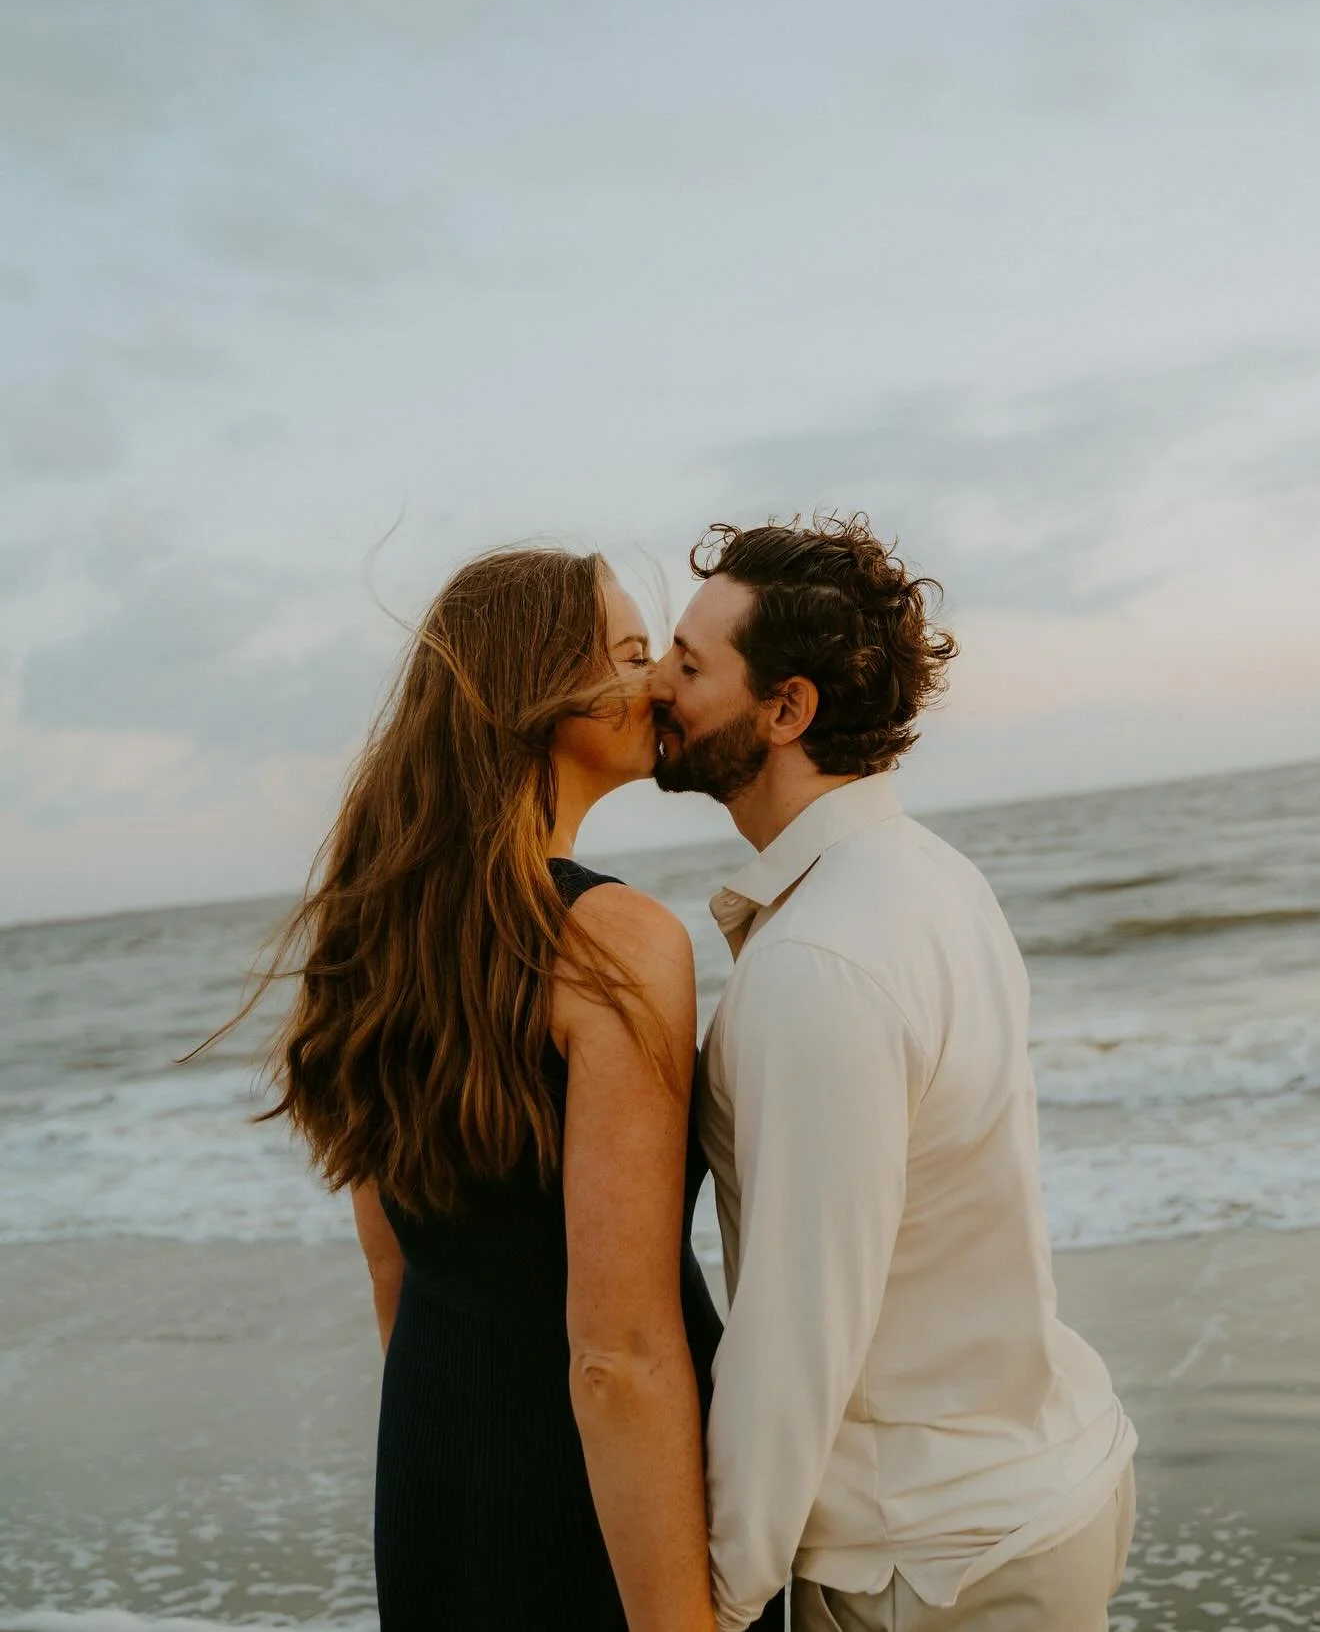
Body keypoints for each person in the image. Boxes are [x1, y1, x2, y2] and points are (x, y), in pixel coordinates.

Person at [202, 547, 782, 1631]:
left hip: (438, 1473)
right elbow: (618, 1355)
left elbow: (393, 1264)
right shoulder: (612, 941)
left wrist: (464, 1469)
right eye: (625, 652)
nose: (658, 680)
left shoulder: (371, 934)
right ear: (537, 694)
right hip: (604, 1500)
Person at [651, 515, 1138, 1632]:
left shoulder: (825, 954)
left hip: (932, 1561)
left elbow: (798, 1318)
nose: (655, 688)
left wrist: (716, 1599)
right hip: (1029, 1491)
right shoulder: (928, 874)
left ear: (786, 710)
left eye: (689, 663)